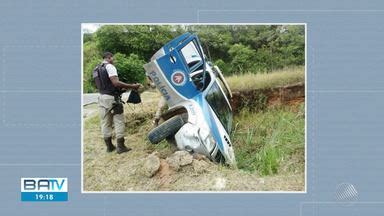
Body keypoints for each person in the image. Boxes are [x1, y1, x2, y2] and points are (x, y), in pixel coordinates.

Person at [94, 52, 141, 153]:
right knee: (118, 120)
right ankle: (120, 146)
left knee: (105, 122)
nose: (113, 60)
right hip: (112, 99)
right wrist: (133, 86)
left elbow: (104, 84)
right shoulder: (110, 66)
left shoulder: (96, 69)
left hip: (101, 97)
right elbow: (115, 83)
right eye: (112, 58)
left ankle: (109, 146)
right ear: (109, 57)